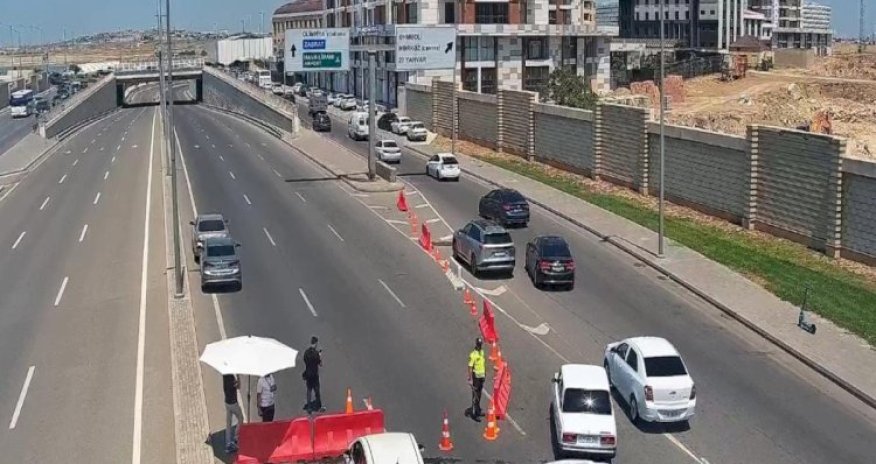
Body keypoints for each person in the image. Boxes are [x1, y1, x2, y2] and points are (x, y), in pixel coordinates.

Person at [302, 336, 324, 413]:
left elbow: (305, 360)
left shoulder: (306, 352)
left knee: (309, 390)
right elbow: (320, 364)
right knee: (317, 390)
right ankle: (319, 406)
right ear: (316, 343)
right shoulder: (316, 354)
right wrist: (320, 356)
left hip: (308, 374)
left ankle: (309, 407)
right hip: (314, 374)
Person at [223, 374, 244, 453]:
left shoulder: (224, 377)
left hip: (227, 402)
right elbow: (238, 386)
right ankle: (236, 436)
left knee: (228, 423)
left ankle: (228, 443)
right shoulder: (231, 379)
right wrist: (238, 376)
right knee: (241, 418)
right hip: (233, 403)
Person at [467, 337, 487, 420]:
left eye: (481, 345)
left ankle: (478, 410)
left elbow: (482, 364)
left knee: (479, 394)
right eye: (479, 345)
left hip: (481, 377)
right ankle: (474, 413)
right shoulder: (473, 355)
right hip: (476, 378)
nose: (480, 346)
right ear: (476, 345)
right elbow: (470, 367)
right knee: (475, 395)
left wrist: (484, 374)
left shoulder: (481, 352)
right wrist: (470, 379)